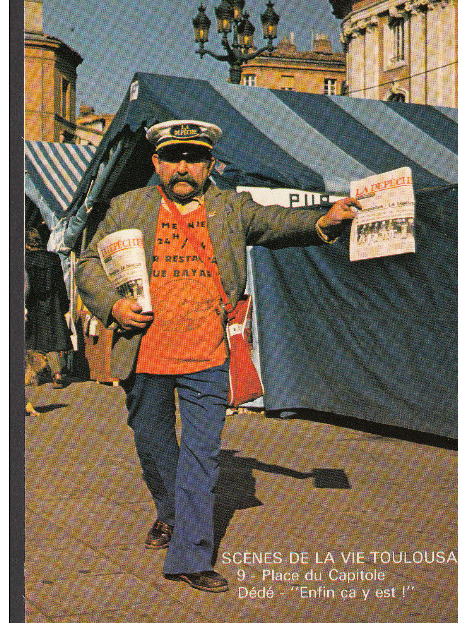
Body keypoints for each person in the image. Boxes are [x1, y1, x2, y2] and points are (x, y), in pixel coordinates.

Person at [75, 119, 363, 593]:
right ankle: (169, 513)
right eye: (173, 158)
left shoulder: (231, 207)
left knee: (202, 454)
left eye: (194, 158)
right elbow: (89, 263)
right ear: (157, 163)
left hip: (207, 354)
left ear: (211, 164)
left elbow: (278, 223)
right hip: (145, 354)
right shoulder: (129, 207)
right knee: (153, 444)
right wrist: (114, 305)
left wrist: (327, 218)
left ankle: (189, 554)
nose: (183, 167)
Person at [25, 228, 72, 389]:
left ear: (27, 244)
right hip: (53, 305)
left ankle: (34, 376)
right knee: (52, 340)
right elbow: (60, 284)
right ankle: (57, 374)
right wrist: (65, 305)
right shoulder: (53, 258)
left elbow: (25, 286)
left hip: (33, 305)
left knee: (32, 341)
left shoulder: (25, 260)